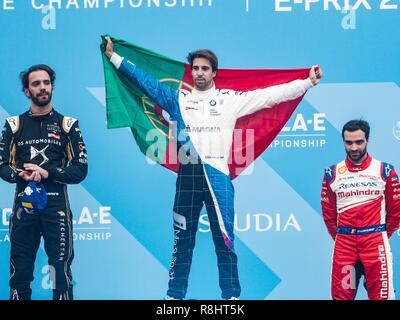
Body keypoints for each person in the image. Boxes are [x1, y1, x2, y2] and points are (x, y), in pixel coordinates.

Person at [103, 37, 323, 300]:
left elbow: (270, 96)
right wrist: (114, 57)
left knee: (224, 240)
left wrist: (307, 82)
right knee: (182, 242)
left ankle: (231, 297)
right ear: (191, 71)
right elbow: (145, 81)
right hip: (188, 176)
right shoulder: (178, 99)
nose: (199, 73)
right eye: (195, 68)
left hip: (218, 176)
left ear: (214, 72)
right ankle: (174, 296)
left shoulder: (230, 100)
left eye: (205, 69)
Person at [0, 64, 88, 300]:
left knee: (60, 274)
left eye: (46, 83)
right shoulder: (13, 125)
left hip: (56, 209)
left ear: (53, 87)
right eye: (36, 83)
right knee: (20, 274)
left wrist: (48, 173)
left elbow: (81, 170)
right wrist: (21, 174)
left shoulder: (68, 125)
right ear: (27, 91)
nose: (42, 87)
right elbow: (2, 166)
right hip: (24, 208)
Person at [321, 119, 400, 300]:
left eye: (359, 142)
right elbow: (329, 216)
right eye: (349, 143)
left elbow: (395, 214)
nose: (354, 147)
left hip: (375, 243)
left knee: (382, 297)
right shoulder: (332, 173)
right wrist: (345, 236)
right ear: (343, 142)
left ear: (367, 141)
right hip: (345, 245)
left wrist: (378, 236)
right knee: (342, 297)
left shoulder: (384, 170)